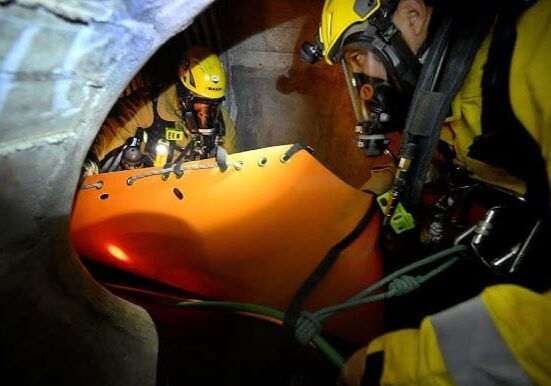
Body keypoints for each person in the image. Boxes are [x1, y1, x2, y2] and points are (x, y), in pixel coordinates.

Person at [302, 0, 551, 384]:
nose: (364, 84)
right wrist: (368, 194)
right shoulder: (455, 77)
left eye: (358, 57)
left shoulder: (533, 43)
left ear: (413, 15)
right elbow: (447, 157)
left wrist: (411, 368)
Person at [83, 46, 238, 175]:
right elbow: (112, 129)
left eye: (212, 105)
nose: (206, 115)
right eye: (200, 106)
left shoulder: (221, 122)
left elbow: (234, 163)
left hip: (193, 186)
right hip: (149, 180)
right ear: (184, 95)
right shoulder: (150, 105)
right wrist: (88, 161)